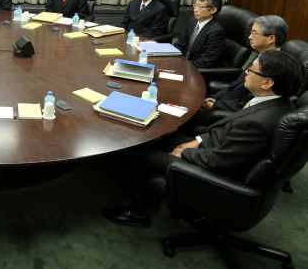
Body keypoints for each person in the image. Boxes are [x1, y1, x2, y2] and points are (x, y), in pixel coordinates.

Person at [102, 50, 302, 228]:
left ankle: (138, 212)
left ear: (268, 83)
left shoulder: (259, 122)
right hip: (214, 147)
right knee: (157, 134)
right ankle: (147, 195)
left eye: (252, 70)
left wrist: (187, 153)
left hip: (216, 174)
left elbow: (221, 161)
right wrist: (197, 140)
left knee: (143, 153)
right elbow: (229, 135)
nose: (246, 72)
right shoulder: (274, 104)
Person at [199, 15, 289, 116]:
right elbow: (235, 86)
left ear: (271, 38)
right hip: (224, 100)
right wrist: (215, 98)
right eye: (251, 32)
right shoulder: (261, 55)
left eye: (254, 33)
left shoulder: (272, 67)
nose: (249, 37)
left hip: (228, 114)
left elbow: (248, 103)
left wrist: (215, 105)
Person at [173, 0, 225, 67]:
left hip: (199, 71)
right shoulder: (192, 21)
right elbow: (180, 44)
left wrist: (183, 66)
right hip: (184, 63)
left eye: (200, 6)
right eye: (195, 5)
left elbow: (206, 61)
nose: (195, 9)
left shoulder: (216, 32)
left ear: (213, 10)